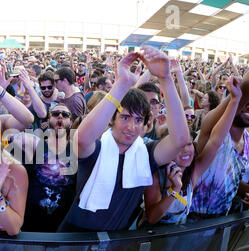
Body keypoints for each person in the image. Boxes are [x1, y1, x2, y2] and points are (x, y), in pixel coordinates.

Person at [57, 47, 190, 232]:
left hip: (117, 247)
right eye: (125, 117)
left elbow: (181, 140)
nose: (131, 127)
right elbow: (80, 140)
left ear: (145, 123)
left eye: (138, 120)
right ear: (112, 118)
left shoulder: (147, 153)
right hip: (73, 241)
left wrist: (166, 79)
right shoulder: (97, 147)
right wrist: (122, 84)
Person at [143, 77, 242, 225]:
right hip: (150, 243)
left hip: (177, 243)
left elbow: (216, 140)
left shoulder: (192, 173)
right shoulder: (157, 175)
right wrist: (175, 189)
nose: (186, 150)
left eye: (189, 144)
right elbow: (152, 217)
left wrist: (235, 100)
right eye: (180, 146)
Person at [189, 70, 249, 220]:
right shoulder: (214, 130)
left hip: (221, 222)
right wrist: (239, 94)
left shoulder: (248, 142)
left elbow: (231, 177)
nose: (248, 107)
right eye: (246, 103)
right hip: (190, 219)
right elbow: (244, 92)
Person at [15, 104, 77, 232]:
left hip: (62, 225)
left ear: (71, 122)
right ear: (48, 121)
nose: (60, 116)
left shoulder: (77, 150)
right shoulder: (33, 146)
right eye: (55, 114)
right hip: (31, 223)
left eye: (65, 115)